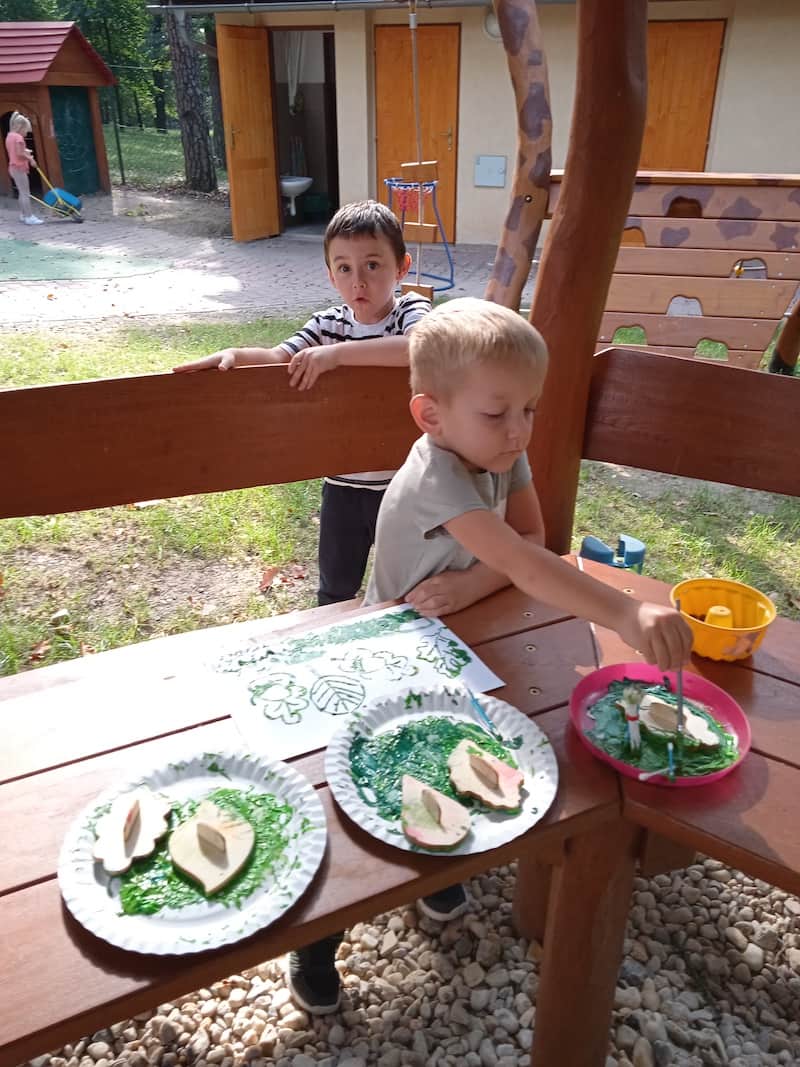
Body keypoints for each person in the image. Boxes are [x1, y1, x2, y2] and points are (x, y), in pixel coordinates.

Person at [174, 199, 430, 606]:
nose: (358, 281)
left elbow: (418, 348)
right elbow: (279, 357)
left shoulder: (410, 311)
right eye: (344, 268)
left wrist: (337, 356)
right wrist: (235, 355)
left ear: (401, 267)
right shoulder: (327, 324)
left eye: (372, 265)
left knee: (407, 589)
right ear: (331, 275)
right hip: (342, 488)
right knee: (334, 589)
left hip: (404, 487)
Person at [5, 112, 43, 226]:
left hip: (12, 167)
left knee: (21, 192)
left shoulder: (10, 136)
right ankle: (29, 217)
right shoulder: (18, 137)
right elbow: (19, 153)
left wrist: (25, 151)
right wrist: (31, 159)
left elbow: (15, 151)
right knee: (26, 193)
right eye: (26, 130)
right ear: (20, 127)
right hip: (19, 168)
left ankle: (23, 214)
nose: (26, 134)